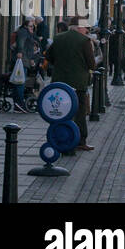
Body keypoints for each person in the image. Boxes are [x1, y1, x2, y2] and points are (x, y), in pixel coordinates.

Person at [44, 17, 96, 152]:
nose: (87, 31)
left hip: (59, 82)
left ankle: (59, 138)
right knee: (79, 112)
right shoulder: (84, 41)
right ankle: (79, 141)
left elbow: (49, 56)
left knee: (60, 111)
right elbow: (92, 64)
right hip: (78, 83)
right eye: (86, 28)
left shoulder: (58, 38)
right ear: (79, 28)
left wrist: (60, 65)